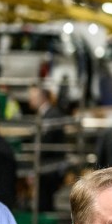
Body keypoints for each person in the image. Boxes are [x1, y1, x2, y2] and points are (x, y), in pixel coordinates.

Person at [28, 84, 66, 214]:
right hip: (44, 165)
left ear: (42, 97)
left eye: (33, 97)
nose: (30, 100)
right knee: (42, 201)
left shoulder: (53, 114)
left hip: (49, 166)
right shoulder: (44, 114)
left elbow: (46, 142)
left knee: (45, 203)